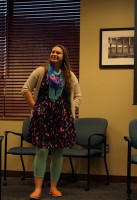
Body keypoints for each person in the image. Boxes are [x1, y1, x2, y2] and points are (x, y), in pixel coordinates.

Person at [21, 44, 82, 200]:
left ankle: (54, 188)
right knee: (41, 150)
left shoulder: (70, 75)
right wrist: (36, 107)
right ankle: (37, 189)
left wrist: (69, 110)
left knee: (57, 152)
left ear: (64, 56)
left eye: (58, 52)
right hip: (43, 116)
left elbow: (78, 97)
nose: (54, 54)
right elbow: (25, 89)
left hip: (62, 118)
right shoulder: (40, 71)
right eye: (52, 51)